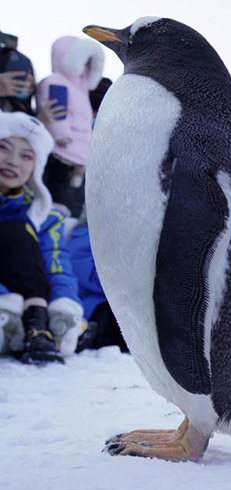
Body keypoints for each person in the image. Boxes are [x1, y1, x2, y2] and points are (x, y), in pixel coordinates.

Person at [0, 112, 84, 363]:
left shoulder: (46, 217)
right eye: (4, 148)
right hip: (9, 300)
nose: (13, 162)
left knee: (20, 229)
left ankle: (38, 323)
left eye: (26, 156)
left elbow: (56, 263)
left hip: (30, 300)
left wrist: (63, 306)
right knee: (14, 230)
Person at [36, 36, 105, 217]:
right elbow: (57, 113)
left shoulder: (82, 90)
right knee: (58, 202)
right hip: (61, 154)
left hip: (78, 158)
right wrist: (61, 135)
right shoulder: (56, 82)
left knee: (73, 205)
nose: (84, 67)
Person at [68, 222, 127, 351]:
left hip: (115, 302)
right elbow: (86, 274)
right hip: (94, 306)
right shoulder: (84, 236)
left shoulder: (121, 236)